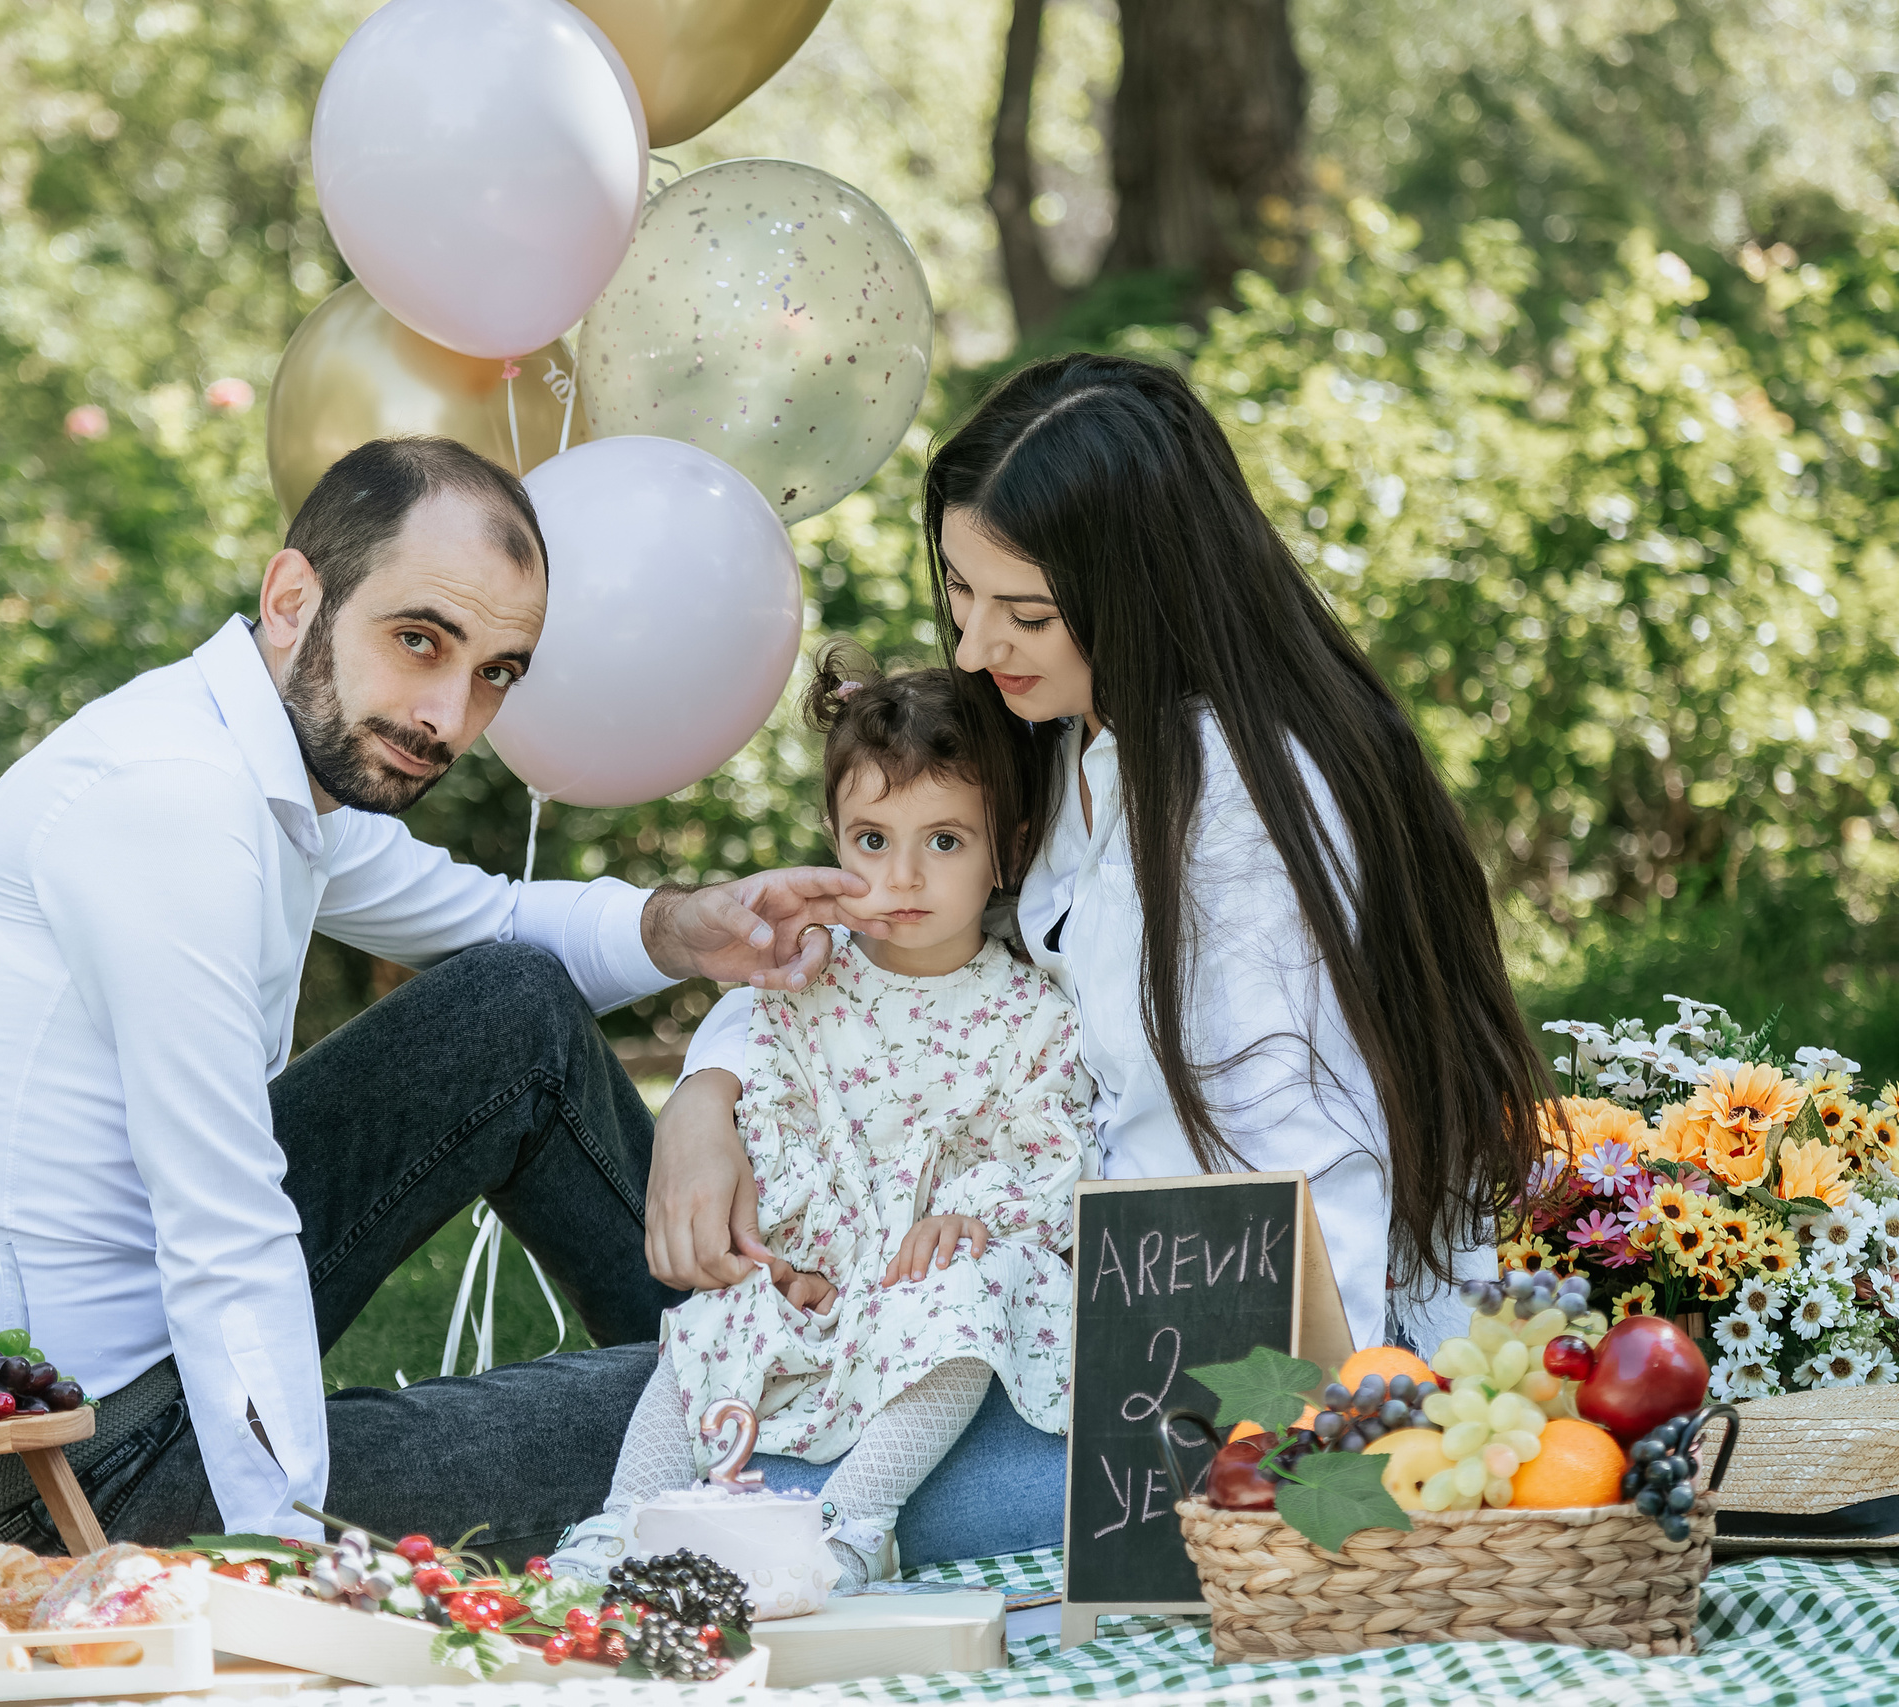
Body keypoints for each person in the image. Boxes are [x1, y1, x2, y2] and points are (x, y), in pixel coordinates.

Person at [0, 435, 873, 1558]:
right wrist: (278, 1561)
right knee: (729, 1403)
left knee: (511, 1010)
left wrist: (681, 926)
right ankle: (814, 1400)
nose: (447, 717)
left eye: (495, 672)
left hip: (123, 1374)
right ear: (293, 598)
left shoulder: (255, 757)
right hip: (67, 1471)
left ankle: (767, 1360)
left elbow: (493, 924)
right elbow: (222, 1226)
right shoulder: (170, 807)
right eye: (418, 639)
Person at [656, 353, 1549, 1495]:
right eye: (960, 591)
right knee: (677, 1363)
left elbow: (1302, 1194)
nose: (975, 648)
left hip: (1189, 1382)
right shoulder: (1064, 731)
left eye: (1024, 612)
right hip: (977, 1292)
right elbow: (905, 961)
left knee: (678, 1446)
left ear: (1144, 588)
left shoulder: (1242, 807)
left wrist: (1301, 1467)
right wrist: (709, 1086)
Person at [551, 645, 1094, 1588]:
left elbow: (1049, 1151)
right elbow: (780, 1127)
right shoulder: (806, 988)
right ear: (837, 840)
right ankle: (624, 1522)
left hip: (932, 1274)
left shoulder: (1031, 1010)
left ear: (1006, 845)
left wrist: (972, 1215)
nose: (903, 877)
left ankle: (853, 1520)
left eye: (946, 841)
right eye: (873, 840)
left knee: (968, 1296)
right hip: (824, 1273)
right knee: (712, 1321)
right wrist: (789, 1258)